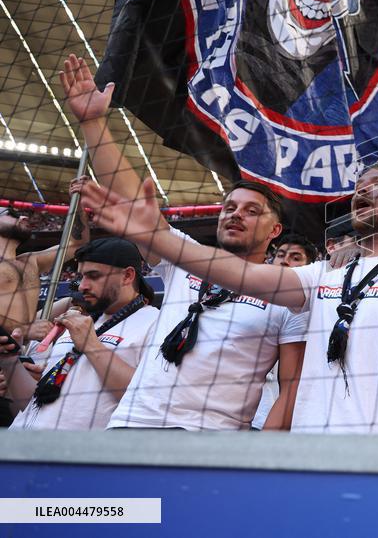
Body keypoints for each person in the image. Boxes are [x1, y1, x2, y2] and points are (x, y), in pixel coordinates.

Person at [79, 162, 378, 433]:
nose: (364, 189)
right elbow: (243, 275)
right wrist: (156, 236)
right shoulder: (323, 274)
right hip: (309, 449)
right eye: (360, 185)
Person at [58, 54, 307, 430]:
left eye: (252, 211)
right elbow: (133, 198)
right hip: (130, 425)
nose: (235, 214)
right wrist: (94, 123)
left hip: (208, 442)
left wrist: (259, 462)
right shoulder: (184, 260)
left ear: (276, 231)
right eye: (229, 207)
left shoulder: (285, 295)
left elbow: (290, 392)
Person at [1, 238, 159, 430]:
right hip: (19, 447)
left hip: (74, 453)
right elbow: (31, 406)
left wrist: (91, 345)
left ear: (127, 276)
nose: (82, 286)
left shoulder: (157, 323)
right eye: (81, 276)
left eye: (93, 276)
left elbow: (146, 400)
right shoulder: (78, 322)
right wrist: (9, 361)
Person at [252, 232, 319, 430]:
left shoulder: (300, 311)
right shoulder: (248, 291)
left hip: (261, 416)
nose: (285, 262)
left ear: (310, 269)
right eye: (280, 255)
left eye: (295, 258)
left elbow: (291, 388)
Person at [0, 201, 89, 335]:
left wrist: (78, 204)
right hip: (9, 341)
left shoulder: (30, 260)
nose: (24, 218)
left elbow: (78, 244)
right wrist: (23, 330)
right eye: (12, 214)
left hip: (30, 341)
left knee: (73, 300)